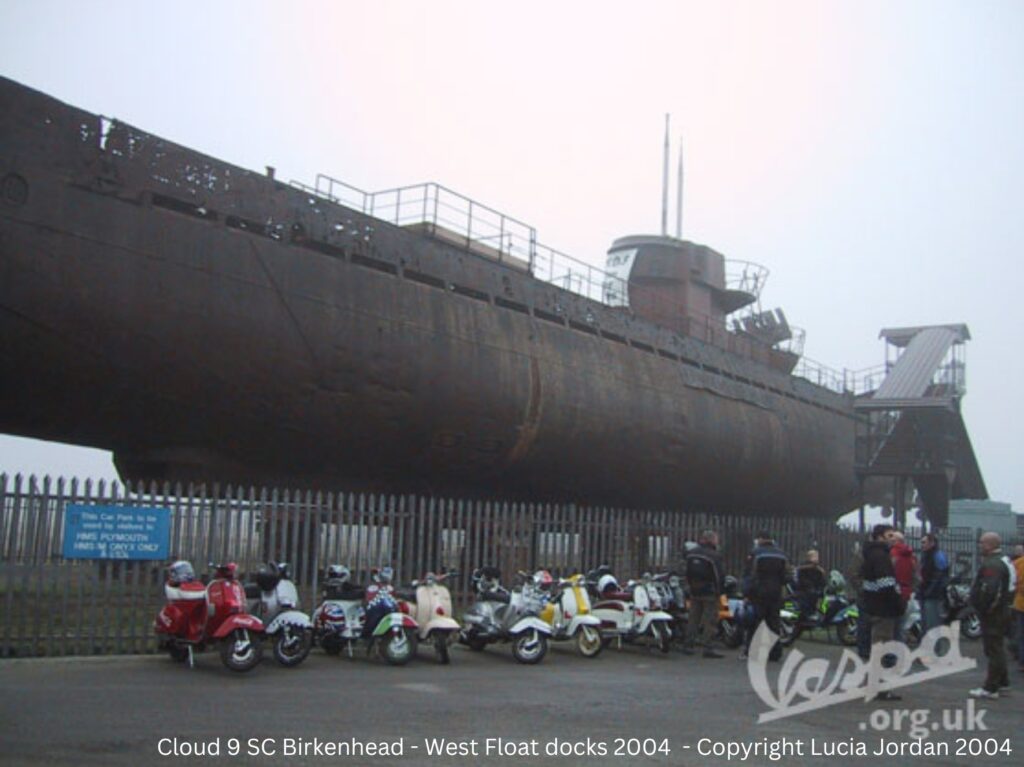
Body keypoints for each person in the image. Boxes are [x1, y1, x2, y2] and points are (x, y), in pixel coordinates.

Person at [858, 524, 904, 700]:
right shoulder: (881, 556)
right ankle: (879, 687)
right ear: (879, 537)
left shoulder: (870, 554)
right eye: (889, 535)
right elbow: (886, 584)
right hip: (883, 608)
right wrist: (898, 603)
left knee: (876, 647)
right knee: (882, 648)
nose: (893, 538)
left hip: (873, 606)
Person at [968, 533, 1012, 699]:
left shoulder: (992, 564)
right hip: (1004, 610)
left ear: (989, 545)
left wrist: (983, 607)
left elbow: (990, 590)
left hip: (994, 613)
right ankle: (1003, 682)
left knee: (993, 649)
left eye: (982, 543)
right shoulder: (1004, 560)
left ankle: (991, 687)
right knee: (997, 646)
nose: (980, 546)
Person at [742, 531, 789, 662]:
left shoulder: (756, 553)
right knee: (773, 622)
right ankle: (775, 652)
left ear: (761, 539)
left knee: (755, 622)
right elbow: (786, 576)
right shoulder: (781, 554)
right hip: (775, 592)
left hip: (759, 592)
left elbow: (750, 575)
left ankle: (752, 651)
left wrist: (746, 593)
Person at [683, 530, 725, 658]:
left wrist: (690, 586)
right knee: (710, 620)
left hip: (695, 590)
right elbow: (719, 576)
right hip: (709, 591)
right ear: (712, 540)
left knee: (693, 618)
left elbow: (687, 572)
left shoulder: (691, 554)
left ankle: (688, 645)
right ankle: (708, 647)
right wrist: (719, 591)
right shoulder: (714, 556)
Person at [917, 533, 949, 638]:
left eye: (924, 542)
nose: (922, 545)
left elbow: (940, 577)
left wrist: (929, 591)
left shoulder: (937, 556)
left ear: (932, 543)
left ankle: (933, 651)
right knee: (926, 624)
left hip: (932, 596)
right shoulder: (927, 556)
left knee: (932, 625)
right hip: (926, 594)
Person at [795, 549, 827, 625]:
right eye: (814, 556)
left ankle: (820, 613)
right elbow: (802, 579)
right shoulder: (804, 568)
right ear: (809, 557)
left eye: (817, 556)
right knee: (811, 594)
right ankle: (809, 614)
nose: (816, 558)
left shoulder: (818, 569)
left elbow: (822, 580)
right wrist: (810, 586)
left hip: (815, 588)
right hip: (804, 589)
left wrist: (823, 586)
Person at [1012, 544, 1024, 672]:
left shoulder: (1018, 563)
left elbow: (1014, 582)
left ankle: (1022, 661)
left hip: (1021, 604)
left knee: (1021, 635)